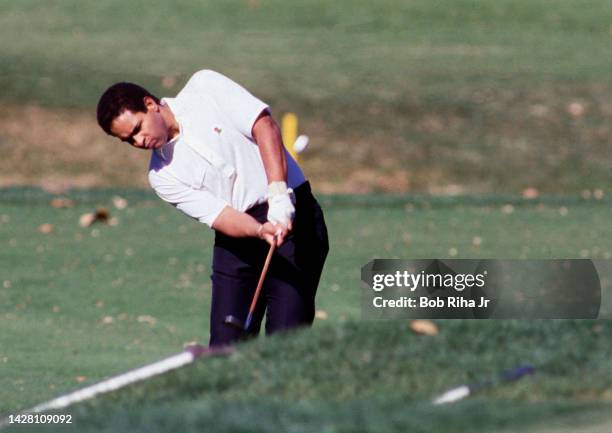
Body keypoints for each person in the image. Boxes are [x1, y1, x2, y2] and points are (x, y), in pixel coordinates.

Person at [96, 69, 328, 347]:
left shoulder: (205, 87)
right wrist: (259, 229)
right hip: (241, 236)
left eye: (137, 129)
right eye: (128, 140)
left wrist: (278, 194)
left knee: (285, 343)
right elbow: (222, 216)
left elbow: (264, 126)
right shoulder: (162, 176)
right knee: (224, 347)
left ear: (150, 104)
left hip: (294, 216)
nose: (138, 142)